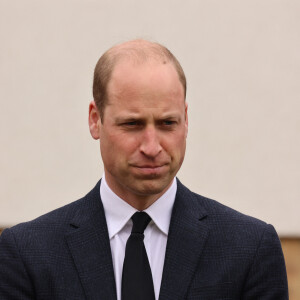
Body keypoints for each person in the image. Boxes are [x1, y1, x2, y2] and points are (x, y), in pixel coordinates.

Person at [0, 39, 288, 299]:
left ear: (186, 119)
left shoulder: (249, 249)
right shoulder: (28, 254)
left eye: (167, 123)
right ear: (94, 120)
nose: (152, 147)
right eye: (132, 124)